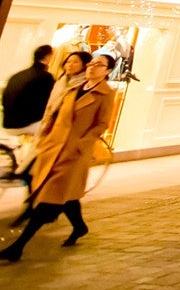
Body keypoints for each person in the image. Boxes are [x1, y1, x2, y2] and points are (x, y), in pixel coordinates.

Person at [1, 53, 116, 260]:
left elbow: (102, 124)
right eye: (91, 63)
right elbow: (55, 115)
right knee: (66, 197)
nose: (92, 67)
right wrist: (46, 138)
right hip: (53, 149)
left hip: (73, 154)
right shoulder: (74, 88)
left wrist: (82, 143)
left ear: (107, 71)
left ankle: (18, 247)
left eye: (99, 65)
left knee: (49, 200)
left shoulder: (105, 94)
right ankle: (79, 227)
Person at [2, 45, 55, 133]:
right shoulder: (45, 77)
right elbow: (47, 104)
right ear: (48, 57)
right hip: (24, 126)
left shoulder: (18, 75)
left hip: (6, 123)